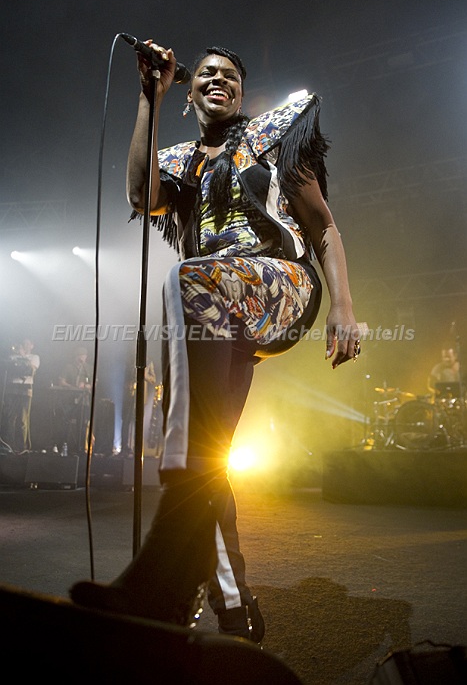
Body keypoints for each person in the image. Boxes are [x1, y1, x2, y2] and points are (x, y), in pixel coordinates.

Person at [70, 42, 360, 642]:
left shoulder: (271, 139)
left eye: (229, 74)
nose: (217, 79)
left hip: (277, 283)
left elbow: (322, 224)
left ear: (241, 91)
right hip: (214, 312)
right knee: (208, 444)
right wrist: (149, 97)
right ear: (189, 92)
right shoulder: (179, 159)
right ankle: (233, 607)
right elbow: (141, 196)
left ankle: (164, 572)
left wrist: (344, 308)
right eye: (205, 73)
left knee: (186, 278)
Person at [0, 338, 40, 452]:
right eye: (23, 343)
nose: (25, 345)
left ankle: (22, 446)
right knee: (10, 418)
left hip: (25, 389)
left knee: (23, 419)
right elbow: (8, 367)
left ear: (32, 345)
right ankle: (9, 445)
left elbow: (32, 369)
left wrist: (23, 357)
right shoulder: (13, 356)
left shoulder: (34, 357)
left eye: (27, 344)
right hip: (12, 388)